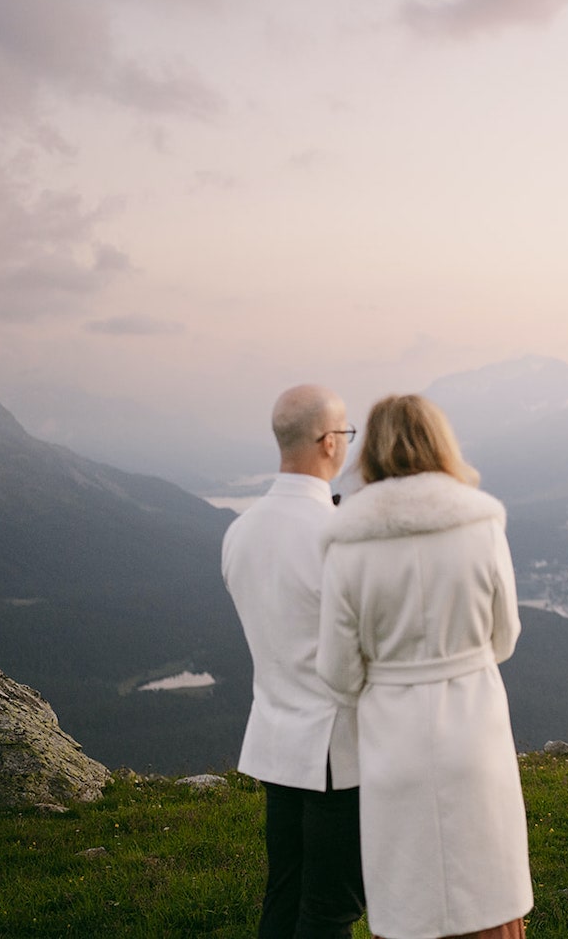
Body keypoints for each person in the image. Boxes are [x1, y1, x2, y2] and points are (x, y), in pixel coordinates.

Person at [317, 395, 530, 939]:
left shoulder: (346, 542)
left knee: (409, 903)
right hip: (473, 730)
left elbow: (339, 673)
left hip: (394, 742)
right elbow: (504, 637)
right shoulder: (480, 524)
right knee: (489, 901)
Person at [221, 384, 365, 939]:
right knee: (332, 907)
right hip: (338, 744)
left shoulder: (240, 531)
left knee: (284, 894)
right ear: (329, 442)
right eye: (346, 434)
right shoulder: (336, 533)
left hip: (277, 740)